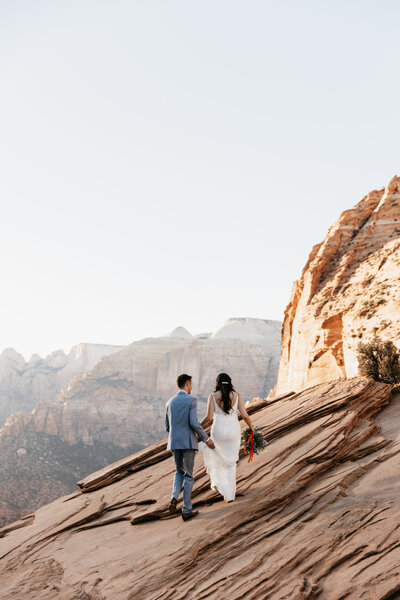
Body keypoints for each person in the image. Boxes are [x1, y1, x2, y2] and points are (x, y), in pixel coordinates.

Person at [165, 374, 215, 521]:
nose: (192, 386)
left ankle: (174, 497)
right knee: (189, 475)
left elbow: (167, 426)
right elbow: (194, 422)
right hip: (187, 442)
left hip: (174, 442)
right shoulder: (191, 400)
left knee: (178, 472)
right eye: (191, 383)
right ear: (187, 383)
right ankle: (186, 509)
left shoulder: (169, 402)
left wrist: (176, 436)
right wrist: (206, 439)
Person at [199, 372, 253, 502]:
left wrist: (197, 426)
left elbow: (209, 417)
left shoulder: (212, 396)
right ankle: (229, 494)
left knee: (217, 458)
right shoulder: (237, 396)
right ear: (230, 382)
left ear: (217, 383)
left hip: (218, 430)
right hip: (233, 430)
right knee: (231, 462)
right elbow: (245, 415)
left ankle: (219, 484)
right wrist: (251, 427)